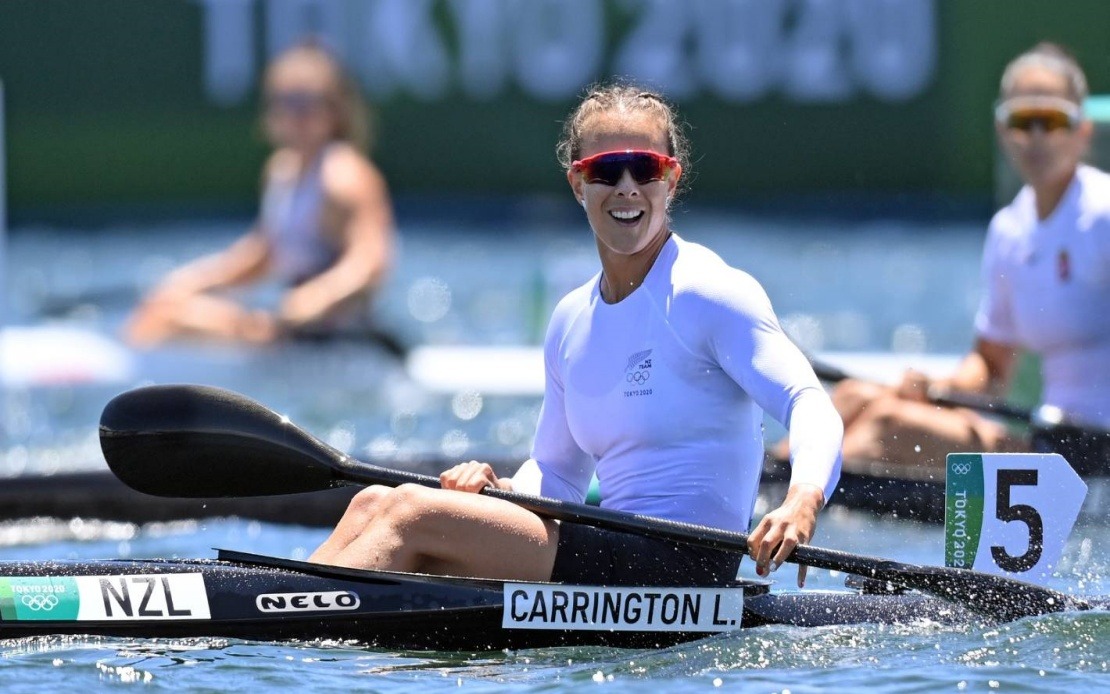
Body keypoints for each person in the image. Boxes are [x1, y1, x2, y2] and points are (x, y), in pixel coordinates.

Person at [309, 83, 843, 588]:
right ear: (578, 184)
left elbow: (808, 401)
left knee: (411, 513)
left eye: (645, 168)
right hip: (612, 546)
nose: (627, 186)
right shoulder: (571, 319)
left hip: (687, 564)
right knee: (373, 501)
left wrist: (803, 499)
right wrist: (499, 491)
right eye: (607, 170)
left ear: (671, 179)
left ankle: (288, 617)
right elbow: (558, 475)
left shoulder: (709, 292)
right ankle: (284, 606)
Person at [829, 42, 1110, 470]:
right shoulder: (1009, 231)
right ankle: (776, 484)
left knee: (888, 425)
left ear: (1082, 130)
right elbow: (991, 368)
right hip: (1050, 438)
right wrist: (934, 387)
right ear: (1002, 129)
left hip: (1096, 452)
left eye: (1051, 121)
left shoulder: (1103, 214)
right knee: (855, 398)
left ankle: (787, 492)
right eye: (1022, 121)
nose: (1035, 137)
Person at [125, 43, 394, 346]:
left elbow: (371, 262)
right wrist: (188, 282)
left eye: (305, 103)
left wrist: (318, 296)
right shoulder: (281, 170)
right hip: (288, 328)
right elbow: (263, 254)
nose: (294, 115)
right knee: (161, 309)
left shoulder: (344, 175)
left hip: (336, 336)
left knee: (166, 320)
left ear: (333, 111)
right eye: (284, 102)